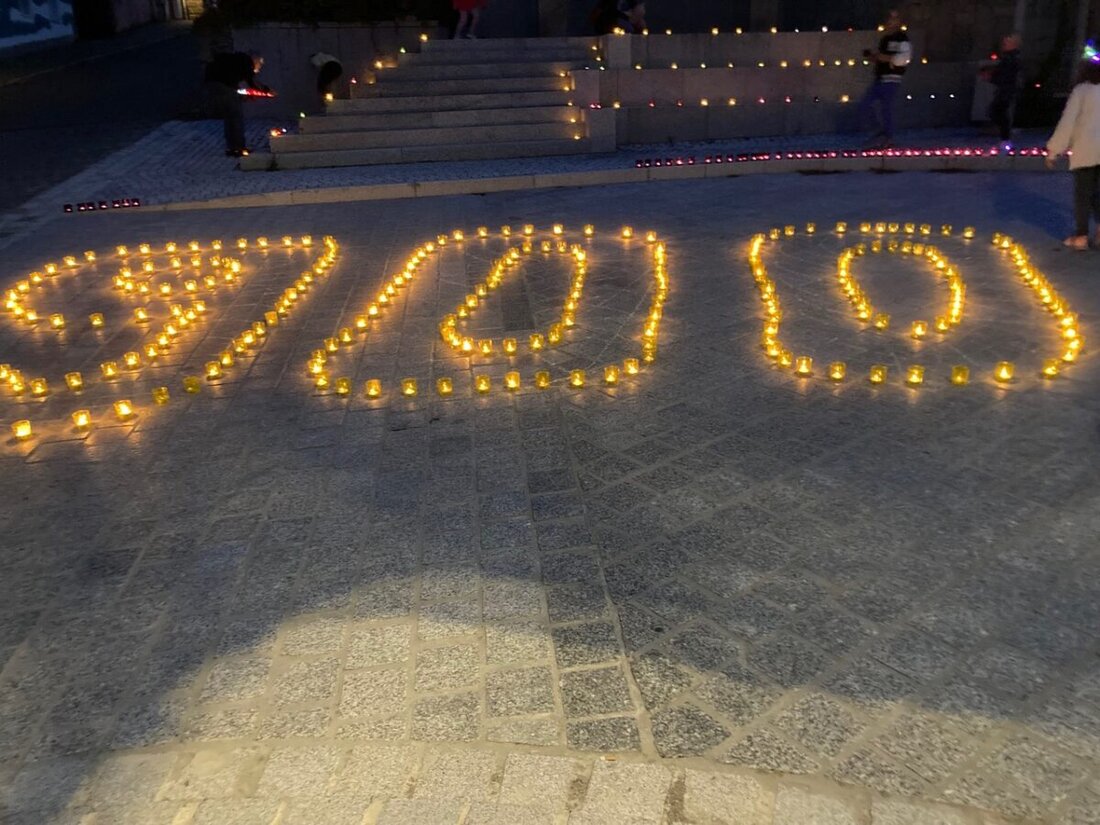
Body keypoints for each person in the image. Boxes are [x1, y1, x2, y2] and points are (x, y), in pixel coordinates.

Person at [1046, 49, 1100, 249]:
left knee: (1083, 194)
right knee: (1098, 193)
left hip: (1087, 149)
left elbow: (1068, 122)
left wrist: (1054, 151)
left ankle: (1081, 236)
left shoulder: (1081, 92)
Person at [857, 9, 911, 148]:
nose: (891, 22)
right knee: (864, 105)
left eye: (894, 19)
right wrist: (873, 57)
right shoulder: (885, 39)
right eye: (889, 19)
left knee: (886, 108)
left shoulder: (903, 39)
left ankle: (888, 136)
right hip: (880, 78)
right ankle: (879, 131)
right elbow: (882, 57)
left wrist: (887, 58)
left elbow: (903, 58)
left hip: (892, 79)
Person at [204, 51, 271, 158]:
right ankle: (239, 148)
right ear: (255, 61)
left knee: (229, 117)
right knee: (236, 116)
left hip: (212, 84)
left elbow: (235, 81)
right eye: (260, 64)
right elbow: (252, 82)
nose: (259, 68)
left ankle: (231, 147)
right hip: (222, 85)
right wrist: (267, 90)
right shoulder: (247, 63)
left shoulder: (237, 61)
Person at [986, 34, 1022, 146]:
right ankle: (1005, 135)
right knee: (998, 111)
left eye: (1007, 43)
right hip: (1005, 89)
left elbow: (1006, 75)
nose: (1004, 45)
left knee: (998, 111)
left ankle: (1005, 136)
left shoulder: (1010, 59)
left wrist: (992, 77)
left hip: (1006, 89)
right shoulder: (1010, 58)